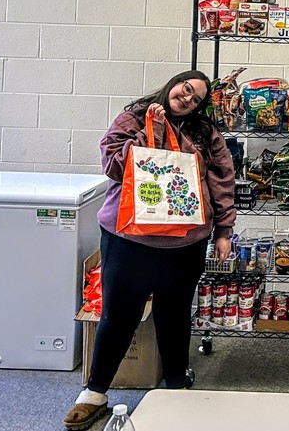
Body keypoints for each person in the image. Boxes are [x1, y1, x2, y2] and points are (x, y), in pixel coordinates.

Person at [64, 70, 235, 430]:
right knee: (118, 315)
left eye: (197, 98)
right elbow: (112, 166)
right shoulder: (133, 118)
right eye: (186, 88)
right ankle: (95, 392)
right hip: (129, 239)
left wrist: (224, 231)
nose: (188, 98)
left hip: (185, 243)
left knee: (173, 316)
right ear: (174, 83)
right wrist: (149, 134)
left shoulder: (204, 134)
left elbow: (221, 180)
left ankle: (174, 385)